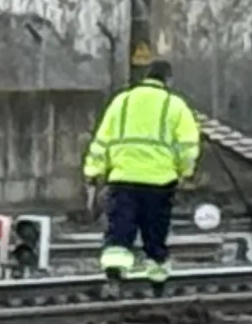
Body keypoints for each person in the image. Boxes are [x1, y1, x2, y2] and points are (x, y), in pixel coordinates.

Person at [81, 51, 202, 287]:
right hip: (160, 182)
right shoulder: (176, 106)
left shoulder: (121, 101)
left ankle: (115, 273)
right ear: (168, 81)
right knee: (155, 233)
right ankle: (157, 281)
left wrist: (93, 171)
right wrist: (184, 173)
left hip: (123, 178)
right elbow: (188, 147)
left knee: (120, 229)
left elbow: (102, 141)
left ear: (146, 76)